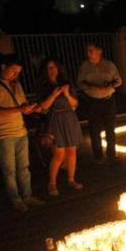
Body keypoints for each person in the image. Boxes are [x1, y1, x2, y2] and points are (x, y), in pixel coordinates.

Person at [0, 55, 45, 211]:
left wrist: (30, 108)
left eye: (18, 72)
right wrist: (20, 109)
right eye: (13, 71)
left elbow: (22, 105)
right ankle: (15, 199)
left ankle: (28, 196)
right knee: (9, 170)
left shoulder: (16, 84)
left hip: (20, 131)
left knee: (24, 168)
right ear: (3, 67)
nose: (15, 75)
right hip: (4, 134)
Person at [36, 57, 83, 196]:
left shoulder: (66, 83)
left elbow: (75, 104)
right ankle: (52, 183)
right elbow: (43, 106)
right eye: (49, 67)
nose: (52, 70)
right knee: (58, 154)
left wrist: (67, 94)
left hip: (70, 118)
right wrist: (53, 94)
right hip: (55, 119)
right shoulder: (43, 85)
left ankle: (71, 179)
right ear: (45, 70)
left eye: (54, 67)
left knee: (72, 152)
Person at [77, 43, 122, 164]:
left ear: (99, 51)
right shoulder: (85, 66)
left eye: (91, 50)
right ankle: (98, 157)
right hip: (92, 102)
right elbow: (79, 83)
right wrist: (91, 87)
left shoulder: (109, 65)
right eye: (87, 51)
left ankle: (111, 155)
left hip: (108, 101)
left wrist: (109, 86)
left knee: (110, 129)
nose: (88, 53)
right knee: (94, 130)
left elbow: (118, 81)